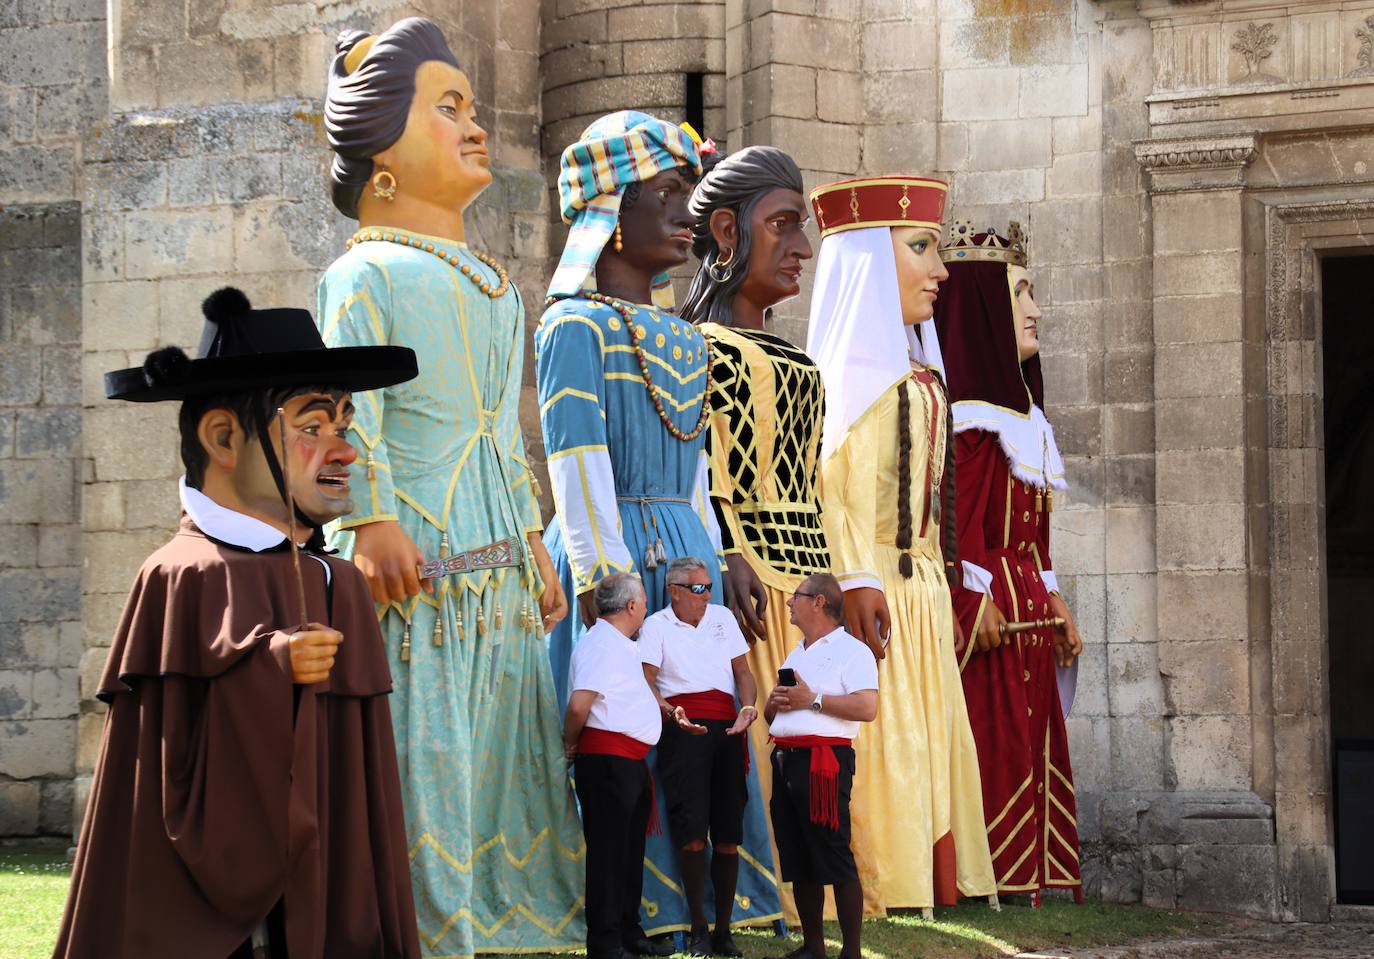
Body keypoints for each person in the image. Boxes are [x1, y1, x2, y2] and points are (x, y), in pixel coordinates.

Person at [317, 18, 581, 956]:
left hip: (499, 557)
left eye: (473, 107)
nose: (474, 127)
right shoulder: (362, 274)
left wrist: (538, 535)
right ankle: (422, 922)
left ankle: (511, 914)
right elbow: (356, 414)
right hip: (414, 557)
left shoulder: (499, 290)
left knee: (502, 744)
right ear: (380, 149)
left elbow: (505, 434)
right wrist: (373, 516)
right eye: (449, 108)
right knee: (423, 740)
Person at [54, 288, 421, 958]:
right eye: (314, 427)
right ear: (224, 437)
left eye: (346, 424)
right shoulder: (181, 574)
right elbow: (172, 770)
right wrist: (269, 670)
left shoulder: (335, 578)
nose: (346, 451)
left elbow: (353, 791)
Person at [537, 110, 783, 937]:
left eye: (688, 193)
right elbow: (576, 465)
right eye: (668, 194)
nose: (686, 213)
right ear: (609, 212)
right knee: (626, 733)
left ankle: (710, 906)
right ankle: (629, 908)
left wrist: (726, 554)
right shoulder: (574, 325)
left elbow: (701, 468)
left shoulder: (686, 338)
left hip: (686, 556)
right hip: (614, 557)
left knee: (703, 738)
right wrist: (610, 588)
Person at [806, 175, 997, 911]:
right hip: (876, 588)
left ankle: (929, 877)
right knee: (887, 740)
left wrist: (943, 584)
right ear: (867, 264)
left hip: (919, 590)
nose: (940, 269)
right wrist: (856, 574)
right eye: (920, 247)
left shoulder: (920, 374)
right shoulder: (844, 378)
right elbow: (831, 489)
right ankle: (884, 875)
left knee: (928, 740)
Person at [933, 221, 1085, 903]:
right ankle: (989, 870)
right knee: (994, 742)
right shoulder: (967, 424)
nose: (1036, 307)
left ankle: (1034, 873)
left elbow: (1036, 542)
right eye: (1020, 291)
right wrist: (972, 602)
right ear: (988, 307)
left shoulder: (1027, 421)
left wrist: (1054, 601)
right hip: (991, 611)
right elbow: (956, 536)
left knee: (1033, 737)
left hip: (1026, 608)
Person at [638, 557, 759, 957]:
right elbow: (646, 682)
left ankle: (724, 931)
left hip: (727, 728)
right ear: (673, 590)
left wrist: (748, 708)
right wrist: (670, 712)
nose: (706, 595)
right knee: (691, 833)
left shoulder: (722, 617)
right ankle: (698, 929)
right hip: (683, 729)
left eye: (709, 587)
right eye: (697, 588)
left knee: (728, 833)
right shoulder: (656, 626)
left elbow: (743, 671)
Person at [764, 574, 878, 959]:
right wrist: (777, 700)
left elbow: (867, 707)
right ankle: (814, 947)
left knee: (833, 853)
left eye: (796, 596)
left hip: (822, 763)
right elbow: (774, 713)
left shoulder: (853, 650)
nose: (788, 603)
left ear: (819, 602)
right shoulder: (796, 652)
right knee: (798, 857)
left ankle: (851, 951)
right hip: (785, 758)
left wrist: (811, 700)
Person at [563, 573, 663, 959]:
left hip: (630, 761)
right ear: (632, 606)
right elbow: (578, 706)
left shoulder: (621, 644)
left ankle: (627, 929)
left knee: (629, 851)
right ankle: (605, 943)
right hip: (607, 761)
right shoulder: (600, 644)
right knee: (608, 855)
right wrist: (571, 742)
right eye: (643, 602)